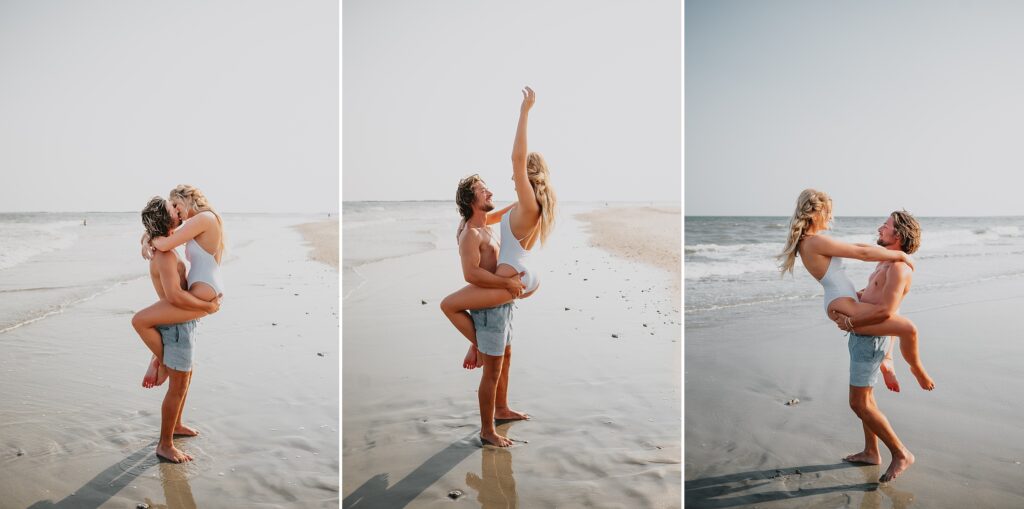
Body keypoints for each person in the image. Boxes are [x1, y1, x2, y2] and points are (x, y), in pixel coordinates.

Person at [439, 87, 557, 447]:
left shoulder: (491, 223)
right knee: (492, 363)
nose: (492, 192)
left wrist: (506, 289)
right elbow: (470, 275)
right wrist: (505, 288)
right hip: (498, 299)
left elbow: (506, 207)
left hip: (504, 297)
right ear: (471, 201)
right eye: (483, 191)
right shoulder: (471, 233)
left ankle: (501, 406)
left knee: (503, 357)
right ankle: (488, 429)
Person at [777, 189, 933, 392]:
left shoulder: (813, 241)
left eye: (885, 226)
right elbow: (861, 253)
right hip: (842, 303)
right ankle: (915, 368)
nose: (831, 217)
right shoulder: (815, 241)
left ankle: (888, 359)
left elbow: (857, 247)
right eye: (829, 212)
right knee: (908, 328)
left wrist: (862, 292)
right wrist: (902, 256)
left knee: (894, 309)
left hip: (843, 300)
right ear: (816, 213)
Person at [134, 196, 220, 463]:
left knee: (186, 379)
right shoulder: (167, 256)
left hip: (182, 324)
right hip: (176, 328)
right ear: (165, 218)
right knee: (178, 387)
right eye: (173, 209)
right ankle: (165, 444)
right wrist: (206, 306)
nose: (178, 211)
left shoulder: (164, 248)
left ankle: (178, 424)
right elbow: (174, 297)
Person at [135, 185, 226, 388]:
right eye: (173, 208)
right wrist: (146, 238)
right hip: (204, 287)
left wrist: (148, 238)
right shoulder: (199, 221)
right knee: (161, 320)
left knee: (142, 320)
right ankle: (159, 359)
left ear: (186, 199)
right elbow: (166, 236)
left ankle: (163, 362)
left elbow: (165, 243)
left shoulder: (203, 219)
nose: (176, 212)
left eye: (176, 205)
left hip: (205, 291)